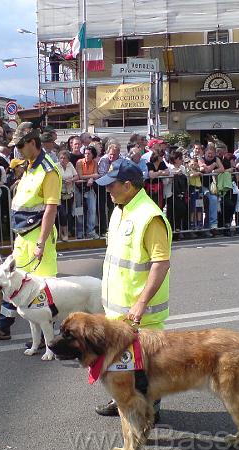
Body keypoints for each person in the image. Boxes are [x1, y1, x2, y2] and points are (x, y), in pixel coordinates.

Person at [94, 159, 172, 418]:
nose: (108, 190)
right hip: (118, 309)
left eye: (111, 185)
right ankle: (123, 401)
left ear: (128, 185)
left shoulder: (150, 217)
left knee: (147, 366)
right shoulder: (121, 208)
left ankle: (152, 409)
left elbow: (161, 263)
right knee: (122, 363)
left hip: (141, 312)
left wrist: (141, 303)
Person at [0, 122, 61, 343]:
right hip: (23, 236)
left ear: (32, 142)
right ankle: (4, 327)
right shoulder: (30, 165)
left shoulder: (49, 170)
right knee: (9, 281)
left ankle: (49, 336)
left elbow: (50, 209)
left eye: (20, 145)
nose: (17, 150)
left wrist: (41, 243)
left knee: (43, 288)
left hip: (37, 236)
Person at [75, 145, 100, 239]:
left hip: (89, 189)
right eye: (85, 153)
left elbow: (96, 175)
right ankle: (80, 231)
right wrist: (91, 177)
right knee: (79, 210)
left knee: (92, 209)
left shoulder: (94, 163)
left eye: (89, 154)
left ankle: (91, 231)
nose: (86, 155)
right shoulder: (79, 162)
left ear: (93, 155)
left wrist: (91, 178)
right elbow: (80, 176)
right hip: (78, 188)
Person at [57, 150, 77, 241]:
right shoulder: (56, 166)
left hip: (69, 193)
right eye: (61, 158)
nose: (62, 160)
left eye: (64, 158)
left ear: (68, 159)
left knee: (69, 213)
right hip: (59, 194)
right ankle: (64, 233)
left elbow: (77, 176)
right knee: (62, 213)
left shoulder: (70, 165)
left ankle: (66, 231)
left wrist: (71, 180)